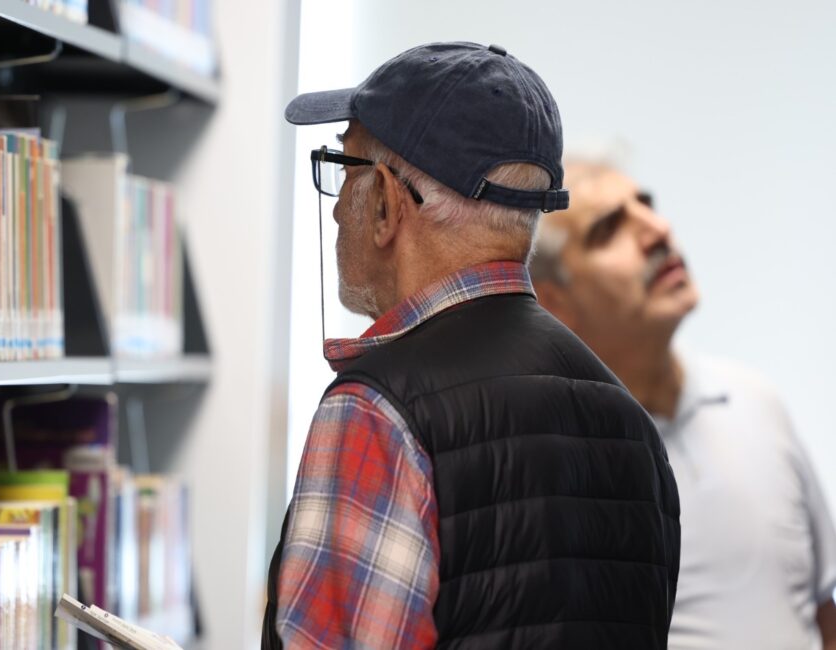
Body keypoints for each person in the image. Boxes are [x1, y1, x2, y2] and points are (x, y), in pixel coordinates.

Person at [264, 42, 680, 650]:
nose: (334, 214)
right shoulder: (630, 425)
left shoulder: (376, 414)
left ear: (383, 200)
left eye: (343, 169)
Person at [529, 159, 836, 649]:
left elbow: (823, 607)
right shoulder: (553, 467)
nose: (657, 229)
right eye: (610, 229)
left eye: (646, 205)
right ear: (553, 305)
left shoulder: (757, 401)